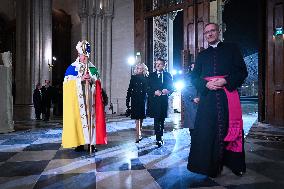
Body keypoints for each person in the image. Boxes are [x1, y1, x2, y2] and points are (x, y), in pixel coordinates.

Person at [187, 23, 248, 177]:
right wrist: (206, 84)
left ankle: (234, 163)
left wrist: (226, 81)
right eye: (206, 32)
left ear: (218, 32)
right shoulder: (202, 55)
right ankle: (208, 166)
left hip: (228, 96)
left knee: (230, 129)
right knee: (208, 131)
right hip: (208, 99)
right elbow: (193, 77)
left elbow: (242, 71)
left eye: (212, 31)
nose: (209, 34)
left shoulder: (232, 49)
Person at [62, 40, 107, 152]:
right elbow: (67, 84)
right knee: (79, 121)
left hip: (91, 100)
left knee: (91, 121)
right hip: (78, 101)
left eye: (86, 56)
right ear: (79, 55)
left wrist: (92, 79)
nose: (85, 58)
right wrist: (80, 79)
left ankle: (92, 143)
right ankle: (80, 143)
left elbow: (98, 82)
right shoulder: (72, 67)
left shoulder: (92, 68)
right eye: (83, 56)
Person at [147, 58, 174, 147]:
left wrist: (169, 91)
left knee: (162, 120)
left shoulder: (168, 75)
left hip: (163, 101)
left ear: (164, 65)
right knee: (156, 120)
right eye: (156, 64)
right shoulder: (151, 75)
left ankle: (160, 136)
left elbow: (172, 87)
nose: (157, 65)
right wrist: (154, 92)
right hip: (154, 101)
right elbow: (147, 88)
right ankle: (158, 138)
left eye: (160, 64)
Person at [126, 63, 149, 143]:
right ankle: (137, 135)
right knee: (137, 118)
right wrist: (127, 101)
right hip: (135, 99)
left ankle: (140, 132)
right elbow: (129, 89)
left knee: (141, 117)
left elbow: (148, 90)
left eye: (141, 68)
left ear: (143, 69)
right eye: (138, 68)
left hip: (143, 99)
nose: (139, 70)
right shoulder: (133, 78)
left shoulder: (146, 78)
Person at [182, 63, 199, 133]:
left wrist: (199, 97)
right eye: (192, 68)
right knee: (192, 123)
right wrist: (192, 98)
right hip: (190, 102)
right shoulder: (187, 77)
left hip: (200, 101)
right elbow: (184, 90)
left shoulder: (201, 76)